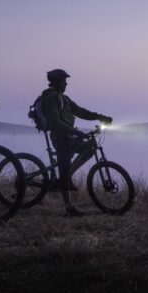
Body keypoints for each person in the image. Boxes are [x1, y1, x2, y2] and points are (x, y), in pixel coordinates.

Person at [37, 68, 112, 217]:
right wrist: (75, 131)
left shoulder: (64, 98)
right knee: (63, 170)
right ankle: (68, 207)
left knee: (91, 147)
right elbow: (55, 122)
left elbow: (79, 111)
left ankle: (69, 175)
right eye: (64, 81)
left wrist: (100, 117)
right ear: (57, 82)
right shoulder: (51, 99)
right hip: (60, 138)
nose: (66, 84)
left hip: (69, 136)